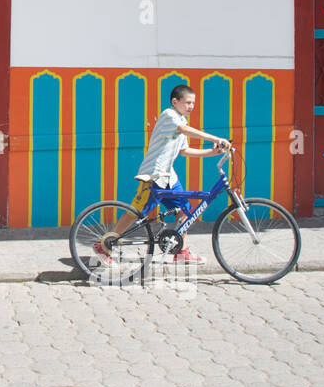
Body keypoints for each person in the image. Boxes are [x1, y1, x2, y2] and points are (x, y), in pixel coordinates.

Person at [94, 84, 230, 265]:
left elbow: (185, 151)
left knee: (185, 211)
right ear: (175, 102)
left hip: (168, 177)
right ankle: (103, 246)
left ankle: (181, 252)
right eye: (188, 102)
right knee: (136, 212)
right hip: (153, 175)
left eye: (193, 103)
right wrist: (216, 138)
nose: (191, 106)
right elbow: (184, 131)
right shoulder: (169, 116)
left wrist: (212, 152)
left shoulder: (181, 120)